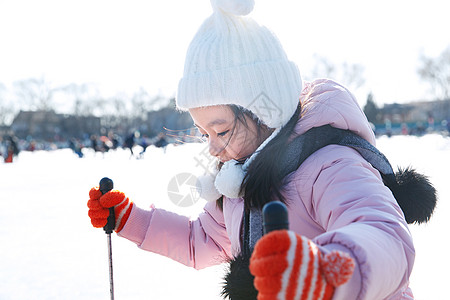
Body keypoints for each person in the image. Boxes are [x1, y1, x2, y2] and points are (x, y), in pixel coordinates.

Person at [87, 1, 436, 299]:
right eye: (202, 132)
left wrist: (321, 273)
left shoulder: (329, 165)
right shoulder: (239, 179)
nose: (211, 147)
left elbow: (384, 234)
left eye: (221, 130)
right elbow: (203, 241)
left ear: (265, 113)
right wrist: (131, 220)